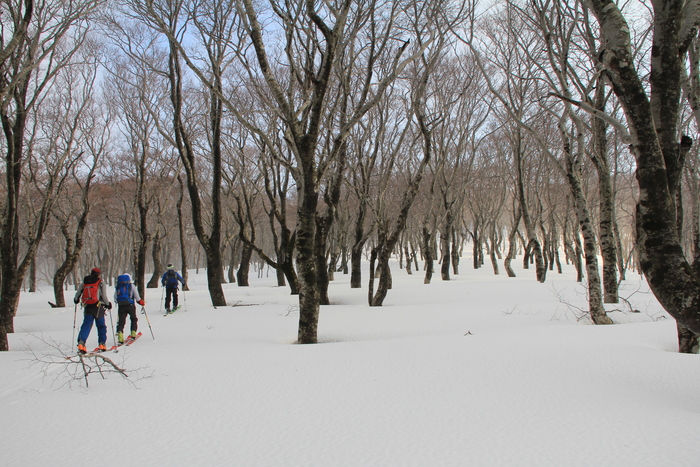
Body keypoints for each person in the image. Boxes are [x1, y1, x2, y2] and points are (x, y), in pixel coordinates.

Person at [73, 267, 112, 354]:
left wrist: (76, 299)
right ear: (98, 274)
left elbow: (78, 293)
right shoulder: (101, 282)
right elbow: (104, 296)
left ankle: (81, 343)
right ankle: (102, 344)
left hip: (87, 306)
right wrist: (108, 304)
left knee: (86, 325)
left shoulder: (85, 282)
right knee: (101, 326)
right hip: (98, 307)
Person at [114, 273, 145, 344]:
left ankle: (120, 336)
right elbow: (137, 297)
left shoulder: (118, 286)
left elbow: (115, 298)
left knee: (121, 321)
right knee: (133, 319)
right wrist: (141, 302)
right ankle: (133, 333)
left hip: (121, 306)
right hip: (130, 305)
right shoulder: (131, 286)